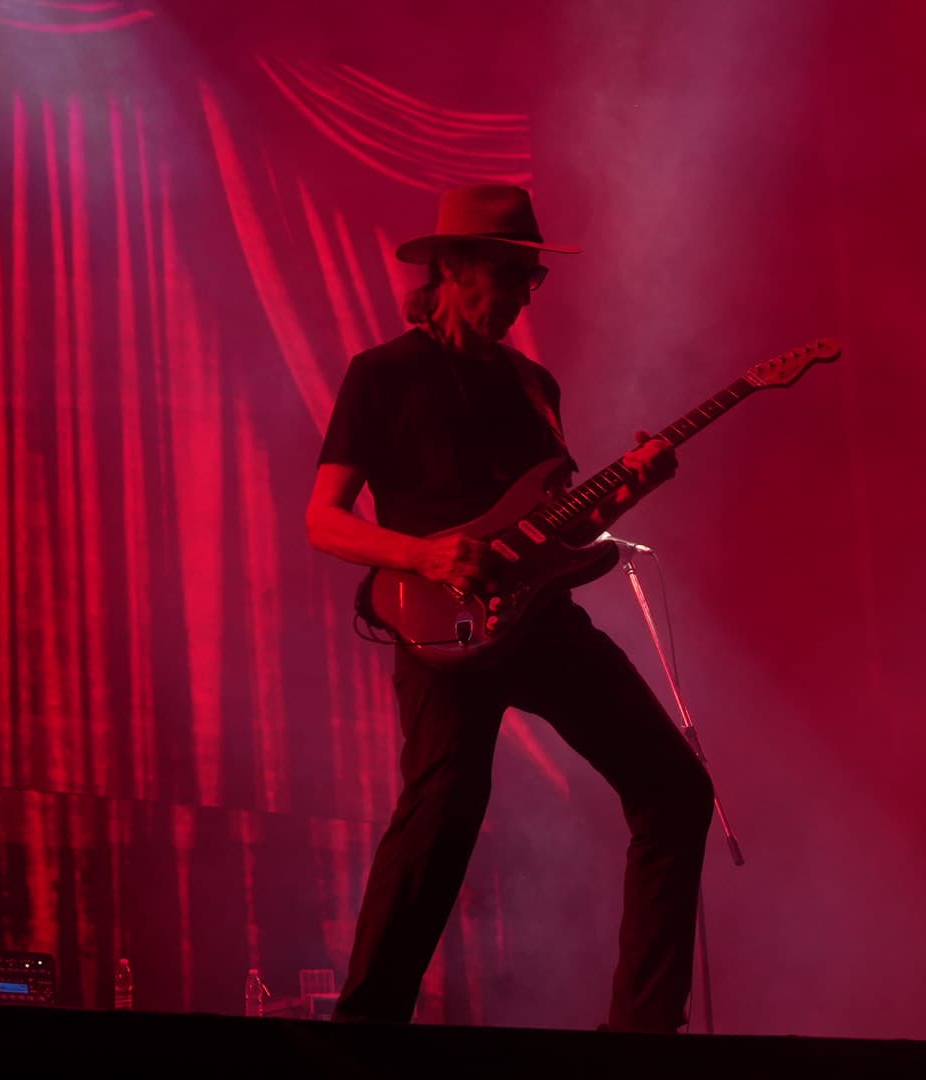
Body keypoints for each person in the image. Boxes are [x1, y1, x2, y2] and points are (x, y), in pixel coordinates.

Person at [306, 183, 715, 1032]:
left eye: (532, 278)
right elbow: (323, 519)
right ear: (452, 269)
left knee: (674, 786)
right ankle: (366, 1031)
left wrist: (629, 490)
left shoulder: (534, 384)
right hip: (438, 623)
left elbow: (563, 522)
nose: (526, 294)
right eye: (510, 274)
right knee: (445, 811)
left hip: (539, 617)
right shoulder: (383, 375)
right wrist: (422, 551)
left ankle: (642, 1031)